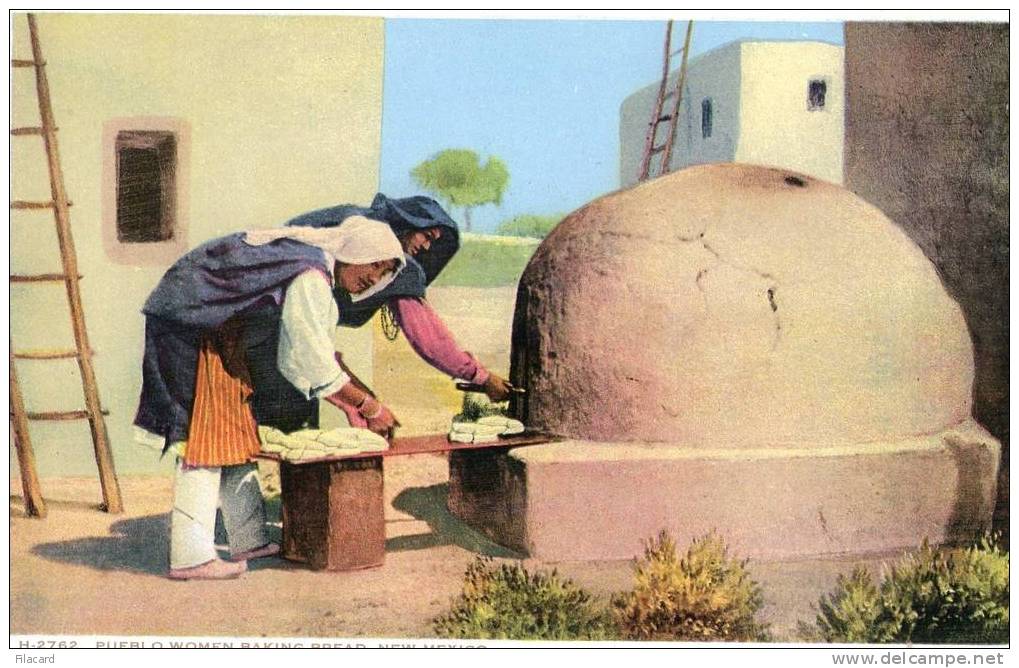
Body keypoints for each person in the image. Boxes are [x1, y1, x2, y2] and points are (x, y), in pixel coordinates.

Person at [133, 217, 405, 580]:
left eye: (384, 272)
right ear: (356, 250)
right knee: (201, 440)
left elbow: (294, 362)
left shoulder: (314, 270)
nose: (375, 277)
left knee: (236, 434)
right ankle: (190, 556)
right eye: (375, 264)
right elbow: (314, 362)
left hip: (217, 334)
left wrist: (345, 404)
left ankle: (248, 538)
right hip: (190, 325)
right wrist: (368, 407)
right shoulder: (310, 276)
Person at [286, 193, 513, 428]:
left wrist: (359, 402)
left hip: (282, 342)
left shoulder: (357, 226)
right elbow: (431, 341)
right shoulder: (373, 248)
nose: (427, 246)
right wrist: (483, 378)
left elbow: (314, 348)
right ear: (409, 223)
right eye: (426, 235)